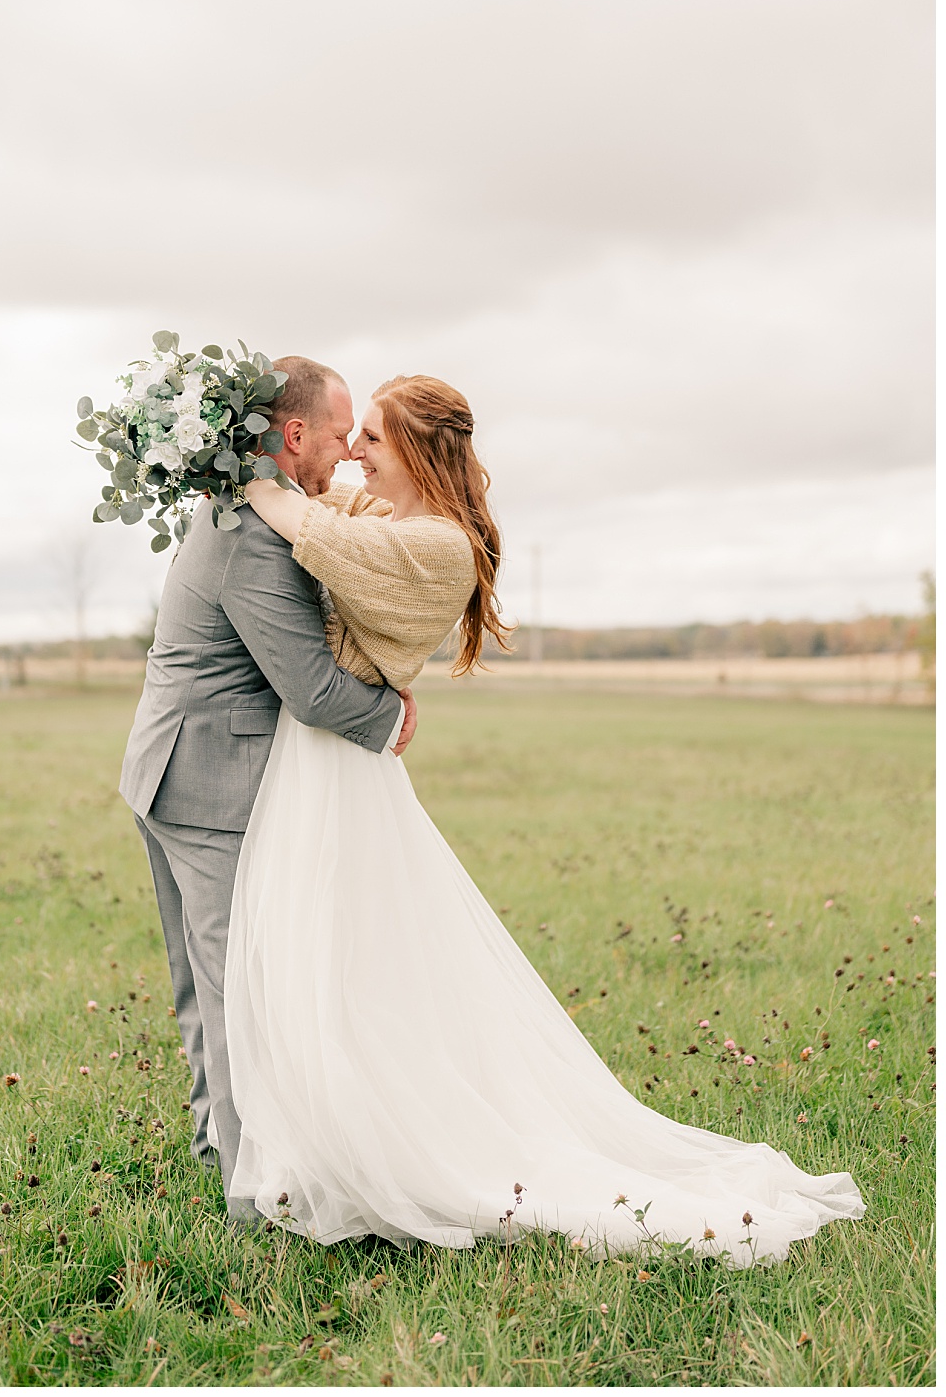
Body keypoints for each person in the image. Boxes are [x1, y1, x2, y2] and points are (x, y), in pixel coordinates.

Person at [225, 374, 865, 1263]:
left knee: (345, 957)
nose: (357, 451)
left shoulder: (437, 546)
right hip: (323, 757)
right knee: (327, 956)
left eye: (372, 436)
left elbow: (315, 531)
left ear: (414, 449)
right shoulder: (386, 516)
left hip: (340, 761)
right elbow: (327, 502)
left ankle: (388, 1152)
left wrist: (245, 480)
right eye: (356, 434)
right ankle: (328, 1142)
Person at [118, 356, 417, 1222]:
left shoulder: (240, 506)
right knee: (228, 989)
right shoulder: (254, 535)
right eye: (336, 433)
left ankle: (223, 1144)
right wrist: (391, 718)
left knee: (200, 981)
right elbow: (309, 686)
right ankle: (250, 1192)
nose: (345, 451)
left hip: (169, 769)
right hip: (207, 785)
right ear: (292, 436)